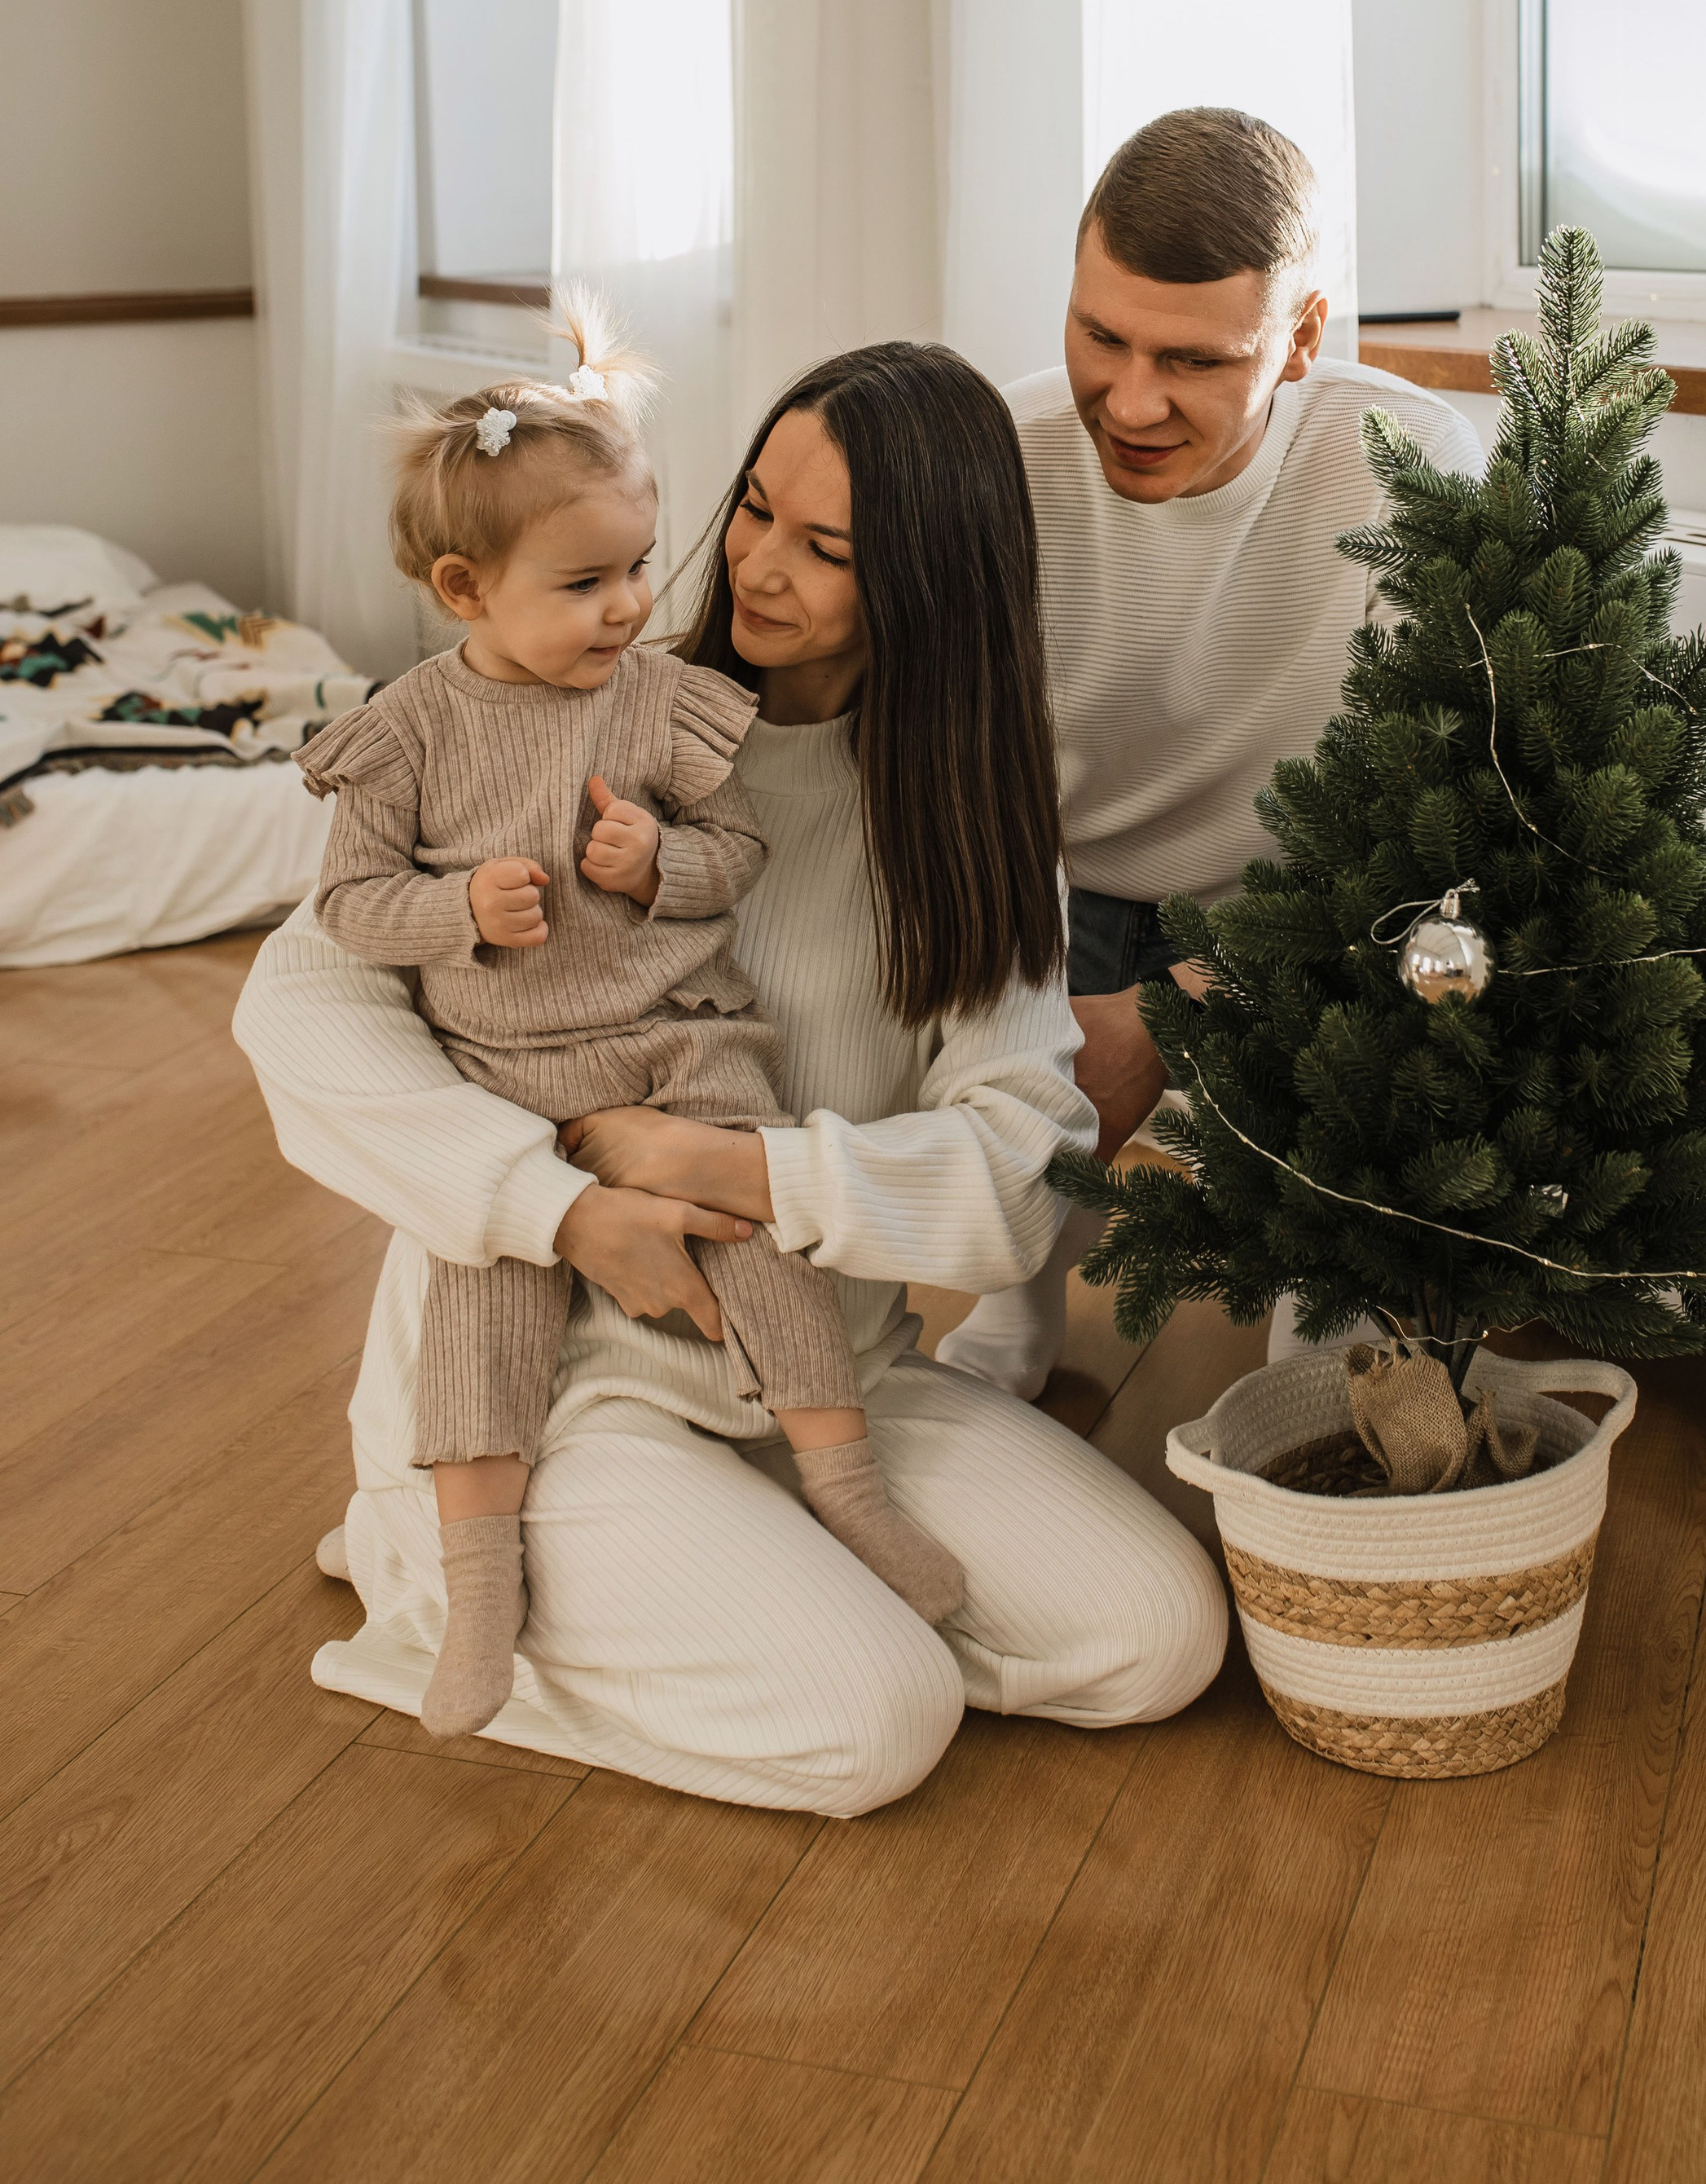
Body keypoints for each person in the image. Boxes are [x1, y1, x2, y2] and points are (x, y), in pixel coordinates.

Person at [235, 341, 1227, 1815]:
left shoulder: (967, 822)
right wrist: (558, 1207)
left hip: (833, 1374)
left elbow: (1022, 1169)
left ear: (934, 590)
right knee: (876, 1728)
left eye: (826, 548)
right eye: (756, 508)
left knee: (1160, 1643)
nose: (757, 568)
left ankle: (748, 1568)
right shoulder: (579, 713)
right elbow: (298, 1010)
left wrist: (728, 1167)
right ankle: (432, 1567)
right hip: (556, 1390)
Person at [297, 312, 961, 1743]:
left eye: (640, 567)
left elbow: (736, 858)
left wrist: (657, 866)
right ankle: (474, 1588)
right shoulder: (409, 733)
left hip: (673, 1046)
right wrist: (458, 911)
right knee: (485, 1306)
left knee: (763, 1232)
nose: (631, 605)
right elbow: (349, 909)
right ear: (467, 589)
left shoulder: (663, 704)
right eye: (588, 580)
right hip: (511, 1081)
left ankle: (842, 1491)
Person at [935, 109, 1483, 1400]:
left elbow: (1430, 823)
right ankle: (1012, 1306)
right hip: (1057, 889)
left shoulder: (1404, 464)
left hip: (1304, 906)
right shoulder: (1001, 455)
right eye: (1100, 335)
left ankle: (1320, 1365)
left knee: (1429, 967)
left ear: (1299, 340)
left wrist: (1177, 1005)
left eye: (1193, 360)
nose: (1130, 402)